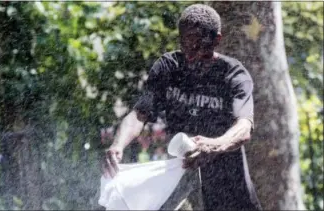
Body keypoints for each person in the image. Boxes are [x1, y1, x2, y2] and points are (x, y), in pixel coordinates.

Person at [101, 3, 262, 210]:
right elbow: (139, 115)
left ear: (216, 40)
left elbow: (244, 127)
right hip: (180, 170)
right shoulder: (169, 67)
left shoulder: (233, 75)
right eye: (185, 45)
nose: (190, 55)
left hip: (227, 177)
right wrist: (117, 145)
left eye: (198, 47)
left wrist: (215, 145)